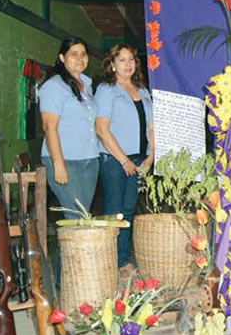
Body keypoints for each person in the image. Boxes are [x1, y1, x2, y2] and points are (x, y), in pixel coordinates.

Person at [94, 44, 155, 275]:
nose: (128, 64)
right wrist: (123, 161)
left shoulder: (142, 90)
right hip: (114, 159)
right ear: (112, 64)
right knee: (114, 211)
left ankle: (122, 259)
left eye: (131, 59)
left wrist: (151, 155)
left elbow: (151, 126)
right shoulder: (106, 89)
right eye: (122, 60)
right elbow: (102, 129)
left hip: (140, 158)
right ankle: (111, 262)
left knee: (129, 210)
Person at [39, 37, 100, 219]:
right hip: (65, 160)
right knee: (75, 215)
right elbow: (49, 127)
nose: (79, 58)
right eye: (73, 54)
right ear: (62, 57)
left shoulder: (87, 85)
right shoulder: (54, 86)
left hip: (89, 160)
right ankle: (69, 249)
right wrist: (58, 164)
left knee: (83, 216)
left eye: (83, 54)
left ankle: (78, 249)